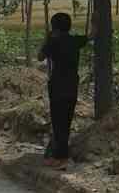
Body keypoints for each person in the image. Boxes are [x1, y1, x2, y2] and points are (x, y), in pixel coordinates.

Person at [38, 11, 94, 169]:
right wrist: (95, 20)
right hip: (72, 85)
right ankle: (58, 154)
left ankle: (61, 158)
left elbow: (40, 57)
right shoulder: (74, 40)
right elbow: (92, 35)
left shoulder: (53, 42)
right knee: (66, 121)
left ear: (54, 27)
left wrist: (47, 39)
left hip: (57, 86)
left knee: (58, 122)